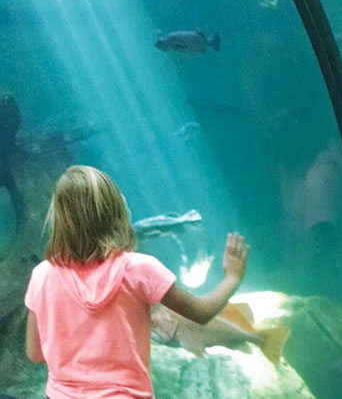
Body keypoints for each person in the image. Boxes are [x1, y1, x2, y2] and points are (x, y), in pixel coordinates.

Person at [24, 165, 249, 398]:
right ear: (116, 212)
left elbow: (35, 352)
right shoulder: (141, 269)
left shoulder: (42, 274)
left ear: (59, 217)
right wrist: (232, 278)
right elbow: (202, 312)